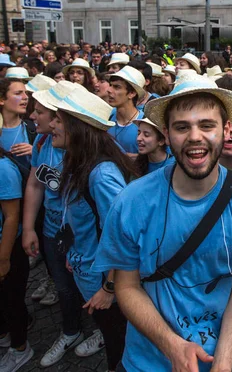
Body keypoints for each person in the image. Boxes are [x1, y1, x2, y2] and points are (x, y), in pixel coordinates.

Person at [91, 73, 232, 372]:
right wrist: (171, 345)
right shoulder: (132, 201)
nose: (194, 137)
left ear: (226, 130)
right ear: (165, 133)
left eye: (206, 125)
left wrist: (225, 361)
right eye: (182, 127)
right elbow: (126, 286)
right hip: (146, 361)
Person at [49, 86, 136, 372]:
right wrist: (73, 251)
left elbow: (125, 236)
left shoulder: (101, 175)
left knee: (118, 348)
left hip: (106, 285)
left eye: (59, 120)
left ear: (78, 128)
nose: (51, 125)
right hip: (87, 272)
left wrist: (110, 288)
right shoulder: (77, 162)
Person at [23, 81, 104, 366]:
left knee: (93, 289)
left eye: (42, 112)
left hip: (82, 238)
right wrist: (30, 227)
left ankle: (102, 332)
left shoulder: (87, 156)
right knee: (64, 287)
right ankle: (71, 330)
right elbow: (35, 184)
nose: (33, 116)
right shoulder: (43, 141)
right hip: (53, 231)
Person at [0, 110, 34, 372]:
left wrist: (4, 258)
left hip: (6, 246)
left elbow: (11, 217)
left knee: (12, 299)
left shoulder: (4, 168)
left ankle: (20, 347)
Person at [106, 66, 146, 156]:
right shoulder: (107, 117)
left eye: (116, 87)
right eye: (110, 85)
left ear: (132, 93)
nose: (109, 90)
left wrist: (140, 159)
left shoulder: (144, 122)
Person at [0, 78, 33, 170]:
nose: (25, 97)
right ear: (2, 100)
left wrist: (36, 152)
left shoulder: (33, 129)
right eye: (18, 93)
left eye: (26, 93)